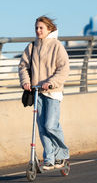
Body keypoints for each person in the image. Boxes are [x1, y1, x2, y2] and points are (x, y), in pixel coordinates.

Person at [18, 16, 70, 170]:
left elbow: (64, 68)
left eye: (41, 28)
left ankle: (62, 154)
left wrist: (51, 82)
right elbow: (22, 66)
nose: (38, 30)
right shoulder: (31, 47)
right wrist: (26, 82)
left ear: (49, 29)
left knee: (50, 125)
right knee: (41, 127)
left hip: (53, 93)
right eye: (36, 28)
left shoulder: (57, 46)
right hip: (37, 92)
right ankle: (49, 158)